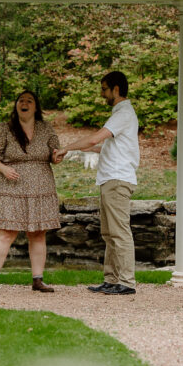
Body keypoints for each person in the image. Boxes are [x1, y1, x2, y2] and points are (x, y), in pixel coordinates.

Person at [55, 71, 139, 296]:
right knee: (109, 232)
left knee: (119, 232)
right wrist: (80, 148)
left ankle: (127, 282)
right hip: (110, 179)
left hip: (118, 180)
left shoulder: (123, 113)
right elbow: (103, 146)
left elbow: (95, 138)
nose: (102, 94)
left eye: (104, 89)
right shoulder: (119, 115)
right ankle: (112, 280)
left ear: (116, 90)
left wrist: (67, 147)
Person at [0, 90, 62, 294]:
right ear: (16, 105)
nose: (24, 103)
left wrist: (57, 157)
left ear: (36, 107)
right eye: (21, 100)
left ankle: (38, 280)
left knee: (37, 233)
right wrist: (4, 169)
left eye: (29, 101)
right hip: (11, 187)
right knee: (6, 233)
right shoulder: (5, 129)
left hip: (40, 187)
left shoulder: (46, 129)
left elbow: (54, 154)